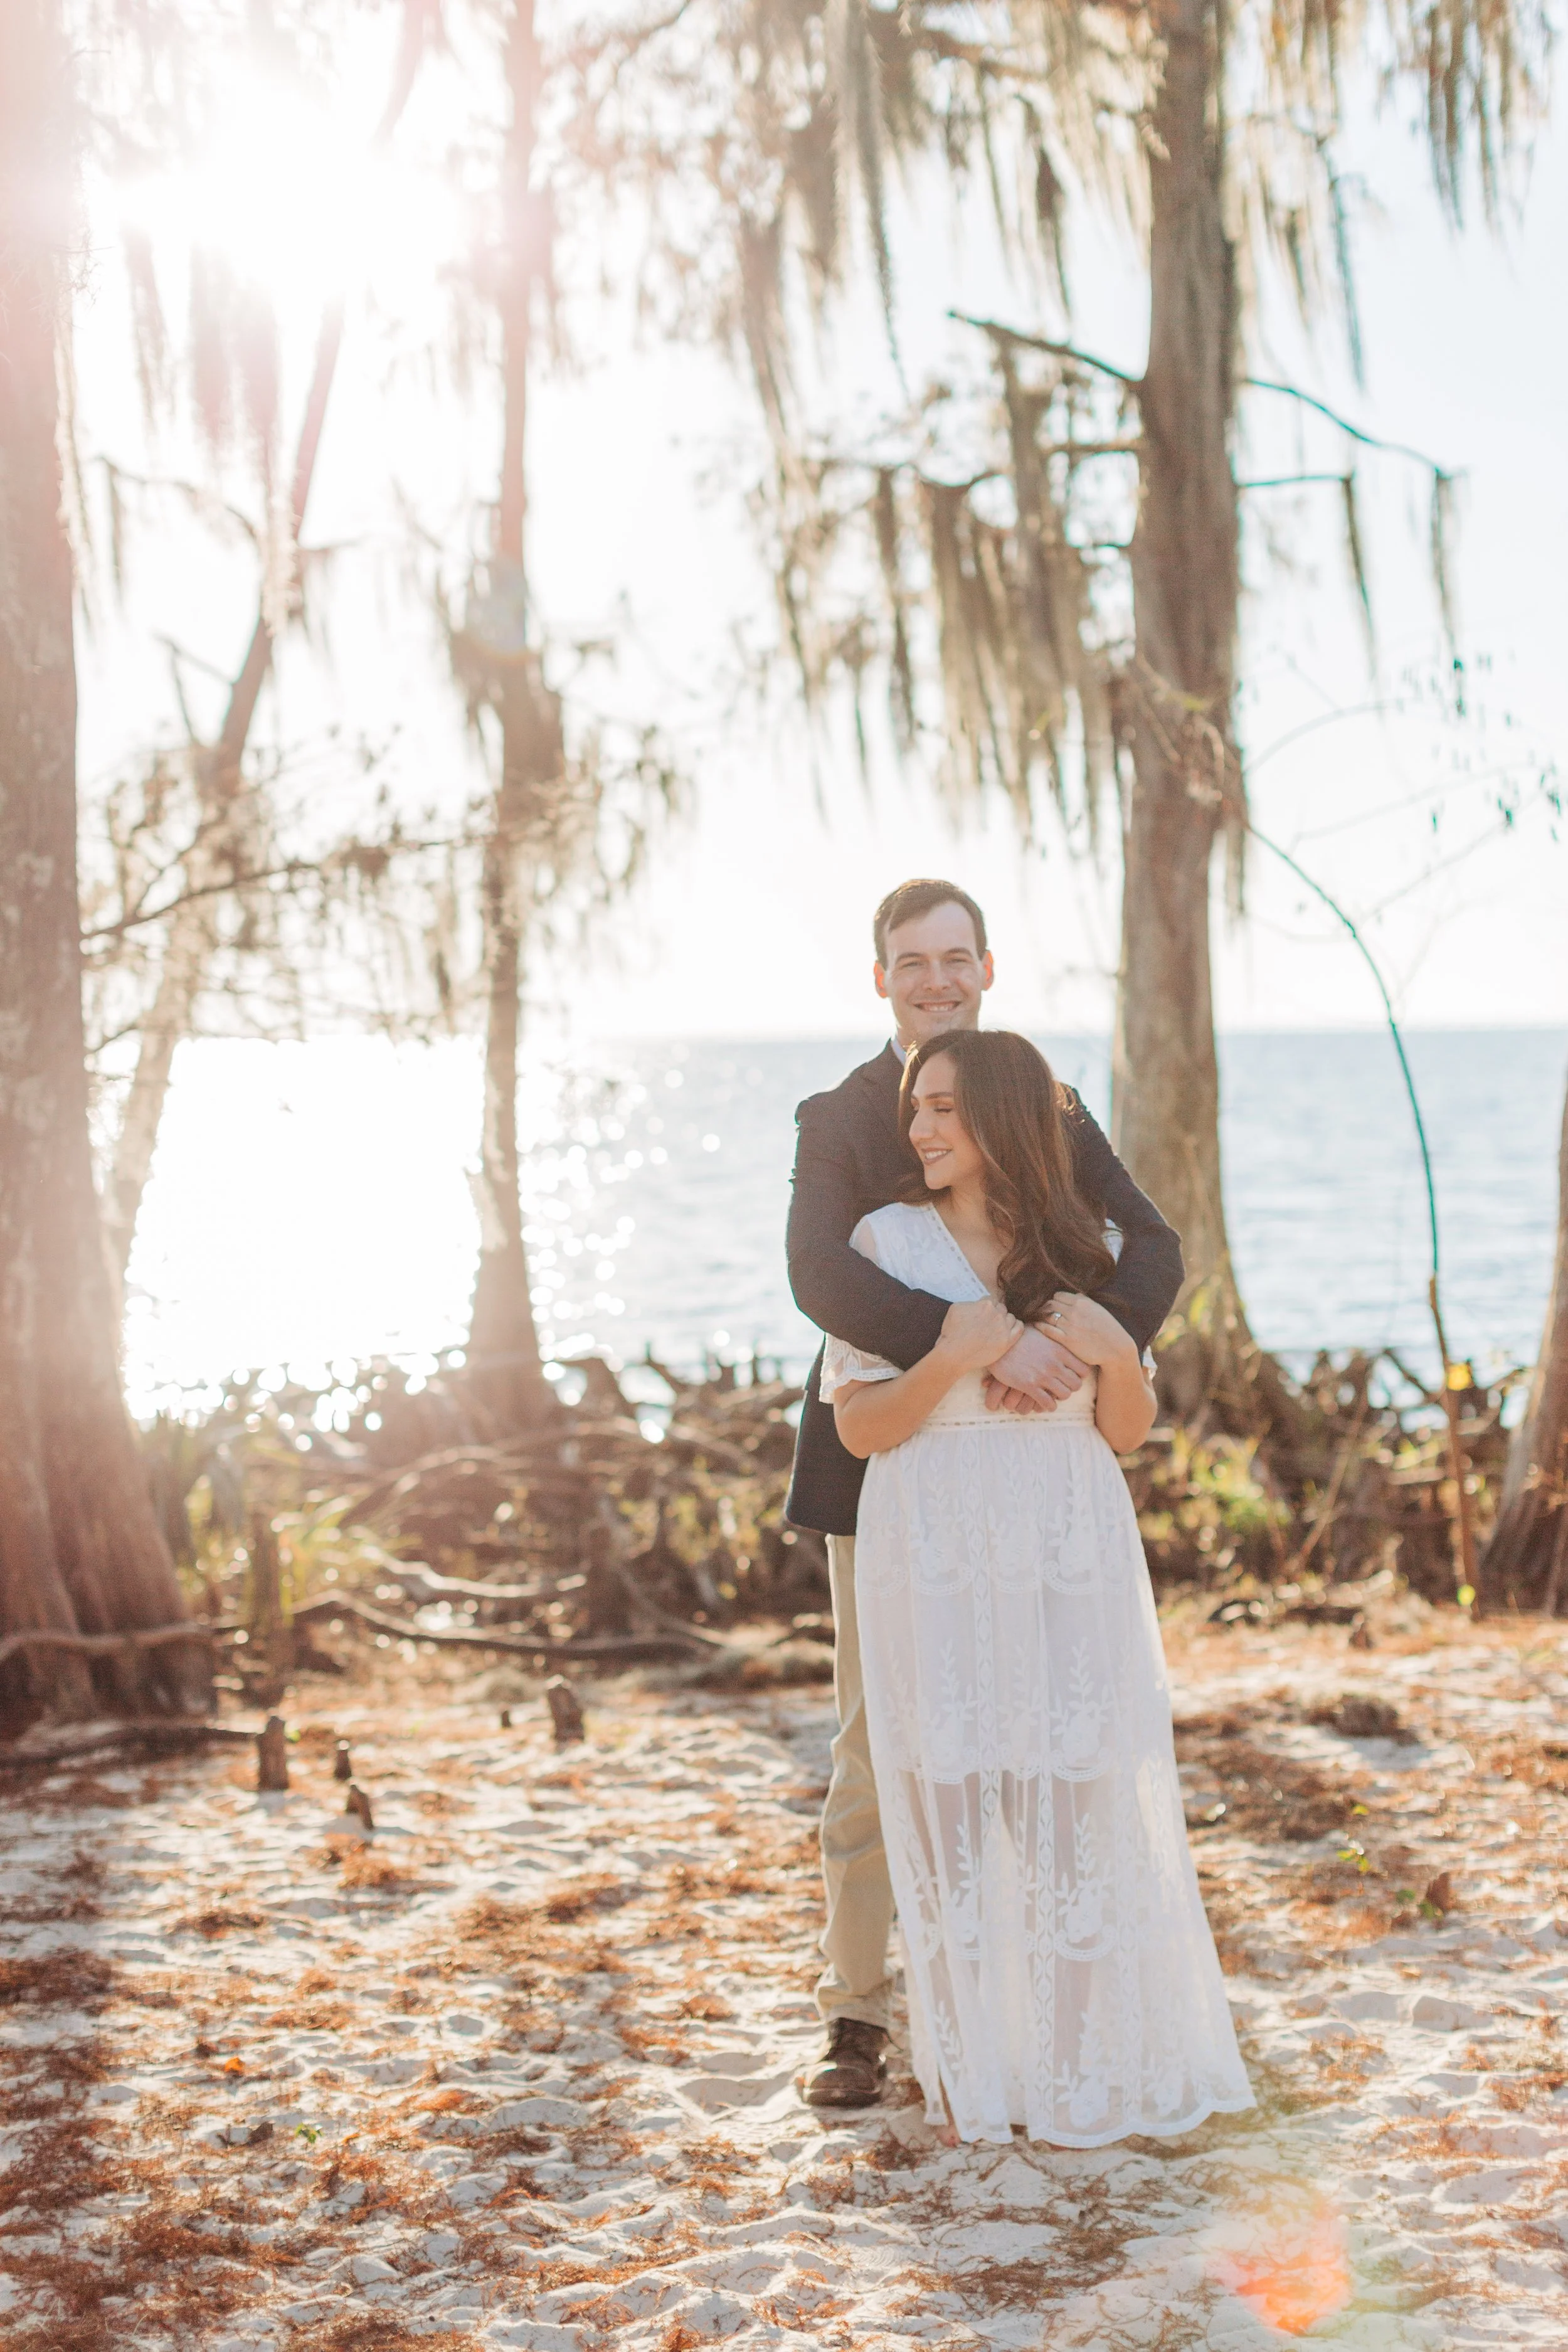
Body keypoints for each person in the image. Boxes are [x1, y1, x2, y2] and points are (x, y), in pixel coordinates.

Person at [787, 879, 1185, 2110]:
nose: (934, 979)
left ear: (984, 967)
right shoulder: (844, 1114)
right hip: (893, 1462)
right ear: (879, 979)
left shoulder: (1036, 1102)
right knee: (879, 1742)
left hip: (1034, 1466)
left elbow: (1150, 1247)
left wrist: (1079, 1347)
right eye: (910, 962)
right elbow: (820, 1280)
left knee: (1042, 1730)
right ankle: (856, 2012)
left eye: (953, 957)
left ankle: (1035, 1993)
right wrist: (981, 1343)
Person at [816, 1027, 1253, 2143]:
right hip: (935, 1540)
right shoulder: (884, 1244)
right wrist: (955, 1355)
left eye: (945, 1108)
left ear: (1008, 1115)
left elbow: (1126, 1431)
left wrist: (1113, 1349)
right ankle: (980, 2070)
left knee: (1078, 1790)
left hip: (1067, 1539)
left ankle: (1079, 2061)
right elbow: (861, 1428)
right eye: (917, 1107)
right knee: (949, 1790)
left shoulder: (1091, 1245)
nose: (919, 1128)